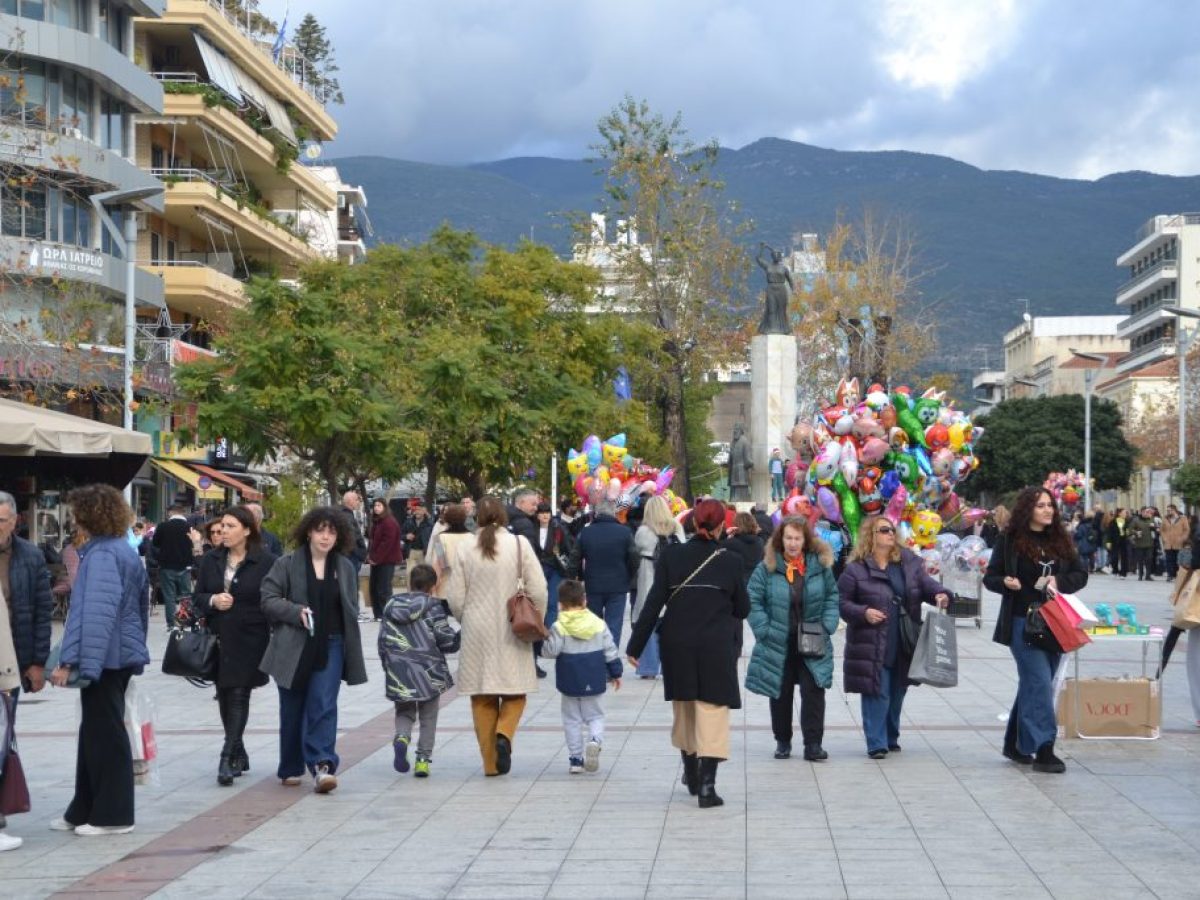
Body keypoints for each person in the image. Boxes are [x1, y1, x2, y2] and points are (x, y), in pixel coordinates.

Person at [627, 499, 750, 809]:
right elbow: (743, 608)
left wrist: (634, 646)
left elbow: (654, 602)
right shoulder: (731, 560)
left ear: (694, 523)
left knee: (685, 709)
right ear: (723, 525)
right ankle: (707, 786)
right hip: (716, 645)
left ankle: (691, 773)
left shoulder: (672, 555)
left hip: (677, 642)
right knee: (712, 710)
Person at [49, 484, 150, 835]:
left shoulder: (104, 555)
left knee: (105, 735)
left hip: (107, 658)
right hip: (115, 656)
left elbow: (94, 616)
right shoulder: (119, 551)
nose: (73, 519)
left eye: (76, 513)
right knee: (95, 732)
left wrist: (73, 662)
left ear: (87, 515)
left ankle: (113, 815)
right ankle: (83, 809)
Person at [260, 507, 367, 793]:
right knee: (292, 707)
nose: (326, 536)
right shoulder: (287, 563)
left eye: (331, 531)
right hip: (292, 645)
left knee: (323, 703)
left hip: (331, 643)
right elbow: (268, 599)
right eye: (320, 530)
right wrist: (295, 611)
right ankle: (291, 765)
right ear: (308, 531)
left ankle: (322, 765)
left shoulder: (343, 566)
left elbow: (351, 604)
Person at [983, 486, 1088, 773]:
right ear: (1028, 508)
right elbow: (990, 577)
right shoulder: (1010, 540)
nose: (1047, 510)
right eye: (1041, 505)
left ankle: (1015, 745)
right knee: (1040, 682)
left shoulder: (1061, 540)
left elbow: (1081, 574)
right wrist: (1006, 581)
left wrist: (1060, 583)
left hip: (1055, 621)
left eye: (1050, 505)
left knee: (1035, 683)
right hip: (1022, 621)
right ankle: (1045, 748)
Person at [444, 496, 548, 776]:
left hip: (477, 630)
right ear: (504, 517)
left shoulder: (465, 546)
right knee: (516, 690)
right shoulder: (519, 544)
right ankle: (504, 733)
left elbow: (454, 596)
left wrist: (465, 616)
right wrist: (536, 615)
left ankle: (491, 764)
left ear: (476, 517)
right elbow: (538, 588)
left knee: (482, 697)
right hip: (512, 626)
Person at [838, 515, 950, 759]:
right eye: (884, 530)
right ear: (871, 536)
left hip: (904, 637)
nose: (891, 534)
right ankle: (876, 743)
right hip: (871, 640)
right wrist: (863, 612)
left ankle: (890, 735)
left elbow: (926, 586)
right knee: (877, 689)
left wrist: (941, 594)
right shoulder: (856, 569)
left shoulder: (908, 562)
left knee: (898, 690)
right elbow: (842, 603)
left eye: (892, 530)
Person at [192, 506, 276, 786]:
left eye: (230, 526)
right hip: (219, 636)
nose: (223, 532)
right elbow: (197, 597)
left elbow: (272, 598)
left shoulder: (265, 561)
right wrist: (213, 601)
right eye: (222, 527)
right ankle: (239, 749)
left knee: (239, 693)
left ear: (247, 530)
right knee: (224, 693)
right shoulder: (210, 560)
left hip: (251, 637)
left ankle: (227, 756)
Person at [746, 516, 839, 762]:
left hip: (812, 636)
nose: (793, 543)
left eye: (798, 538)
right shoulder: (767, 566)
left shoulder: (819, 565)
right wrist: (763, 628)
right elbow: (752, 600)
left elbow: (832, 596)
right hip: (779, 638)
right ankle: (783, 741)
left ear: (805, 540)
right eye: (788, 538)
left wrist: (828, 625)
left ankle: (813, 744)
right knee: (780, 691)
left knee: (814, 691)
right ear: (781, 539)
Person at [379, 564, 460, 778]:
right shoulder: (433, 607)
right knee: (428, 716)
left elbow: (382, 641)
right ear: (433, 587)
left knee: (404, 711)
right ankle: (423, 761)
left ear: (409, 583)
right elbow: (446, 640)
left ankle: (402, 737)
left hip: (399, 670)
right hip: (428, 673)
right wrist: (458, 638)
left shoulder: (390, 605)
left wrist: (388, 666)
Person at [541, 579, 622, 774]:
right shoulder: (598, 623)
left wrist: (543, 643)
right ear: (584, 600)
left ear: (560, 604)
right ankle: (594, 740)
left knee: (571, 720)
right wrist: (615, 673)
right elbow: (610, 650)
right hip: (594, 677)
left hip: (569, 679)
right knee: (595, 716)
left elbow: (550, 652)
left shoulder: (559, 626)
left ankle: (576, 759)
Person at [571, 496, 638, 650]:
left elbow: (574, 559)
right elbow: (635, 558)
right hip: (618, 585)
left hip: (593, 584)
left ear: (595, 513)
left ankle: (596, 657)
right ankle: (611, 660)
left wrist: (576, 578)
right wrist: (628, 575)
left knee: (594, 624)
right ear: (614, 512)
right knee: (614, 625)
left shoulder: (585, 533)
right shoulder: (625, 532)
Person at [631, 496, 684, 680]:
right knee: (670, 626)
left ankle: (648, 667)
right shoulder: (677, 528)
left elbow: (636, 553)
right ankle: (670, 665)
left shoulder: (643, 532)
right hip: (673, 582)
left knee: (648, 623)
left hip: (649, 580)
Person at [532, 501, 573, 675]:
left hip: (555, 568)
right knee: (538, 601)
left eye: (547, 512)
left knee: (552, 602)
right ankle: (541, 631)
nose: (544, 515)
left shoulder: (558, 529)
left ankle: (548, 631)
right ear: (537, 515)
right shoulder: (531, 529)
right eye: (541, 513)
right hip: (537, 568)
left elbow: (568, 548)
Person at [722, 511, 765, 658]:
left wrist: (727, 535)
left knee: (736, 619)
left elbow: (718, 548)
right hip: (756, 583)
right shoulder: (759, 542)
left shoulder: (732, 543)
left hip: (738, 584)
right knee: (757, 619)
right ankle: (763, 645)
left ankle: (737, 647)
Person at [151, 504, 193, 629]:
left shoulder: (163, 526)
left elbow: (155, 543)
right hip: (185, 566)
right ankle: (185, 621)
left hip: (167, 565)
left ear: (170, 513)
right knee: (185, 595)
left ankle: (171, 624)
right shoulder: (189, 527)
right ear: (183, 513)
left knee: (169, 596)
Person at [367, 499, 403, 622]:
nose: (376, 508)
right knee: (374, 587)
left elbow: (387, 544)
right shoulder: (378, 522)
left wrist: (376, 558)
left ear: (384, 507)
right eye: (375, 505)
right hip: (377, 560)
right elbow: (373, 542)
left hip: (387, 560)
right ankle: (378, 614)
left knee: (384, 589)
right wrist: (371, 557)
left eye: (379, 505)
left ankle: (387, 614)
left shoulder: (389, 522)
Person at [429, 504, 473, 594]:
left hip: (446, 589)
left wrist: (432, 589)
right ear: (464, 519)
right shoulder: (473, 538)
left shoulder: (439, 539)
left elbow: (438, 566)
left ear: (447, 519)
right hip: (468, 590)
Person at [339, 491, 368, 572]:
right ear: (350, 501)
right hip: (351, 556)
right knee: (351, 582)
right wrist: (360, 553)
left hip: (349, 555)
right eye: (357, 500)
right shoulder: (347, 516)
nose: (358, 502)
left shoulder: (344, 514)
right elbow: (352, 537)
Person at [1161, 505, 1190, 581]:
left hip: (1178, 543)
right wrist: (1164, 538)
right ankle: (1169, 575)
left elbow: (1186, 530)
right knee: (1169, 559)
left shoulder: (1183, 518)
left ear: (1175, 510)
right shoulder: (1165, 518)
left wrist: (1183, 538)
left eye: (1170, 510)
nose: (1168, 512)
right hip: (1168, 543)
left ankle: (1177, 575)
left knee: (1178, 560)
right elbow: (1162, 530)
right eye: (1167, 510)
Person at [1128, 507, 1156, 581]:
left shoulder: (1151, 519)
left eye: (1148, 512)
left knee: (1149, 559)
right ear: (1141, 512)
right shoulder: (1136, 520)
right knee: (1140, 560)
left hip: (1149, 543)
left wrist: (1154, 528)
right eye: (1145, 512)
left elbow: (1156, 529)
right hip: (1139, 543)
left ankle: (1148, 575)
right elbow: (1130, 530)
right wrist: (1136, 532)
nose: (1147, 513)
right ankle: (1140, 574)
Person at [402, 503, 434, 568]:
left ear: (424, 511)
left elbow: (434, 539)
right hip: (411, 551)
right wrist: (406, 536)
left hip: (423, 552)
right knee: (410, 573)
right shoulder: (408, 522)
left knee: (423, 574)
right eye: (416, 510)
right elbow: (400, 535)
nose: (417, 512)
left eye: (419, 510)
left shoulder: (429, 524)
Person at [1106, 508, 1130, 578]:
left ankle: (1123, 572)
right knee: (1114, 557)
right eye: (1124, 513)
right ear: (1119, 513)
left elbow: (1128, 530)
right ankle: (1115, 570)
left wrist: (1128, 532)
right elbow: (1109, 533)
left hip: (1123, 540)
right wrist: (1108, 542)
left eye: (1126, 513)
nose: (1125, 514)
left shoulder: (1126, 521)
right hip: (1115, 541)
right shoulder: (1113, 522)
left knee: (1124, 557)